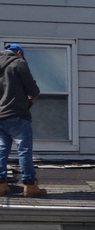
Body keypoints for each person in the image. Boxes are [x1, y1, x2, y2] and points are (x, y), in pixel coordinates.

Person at [0, 43, 47, 197]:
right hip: (17, 114)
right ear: (19, 52)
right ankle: (29, 185)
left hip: (0, 115)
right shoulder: (18, 62)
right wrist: (31, 98)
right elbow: (32, 89)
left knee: (1, 150)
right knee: (24, 150)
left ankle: (1, 185)